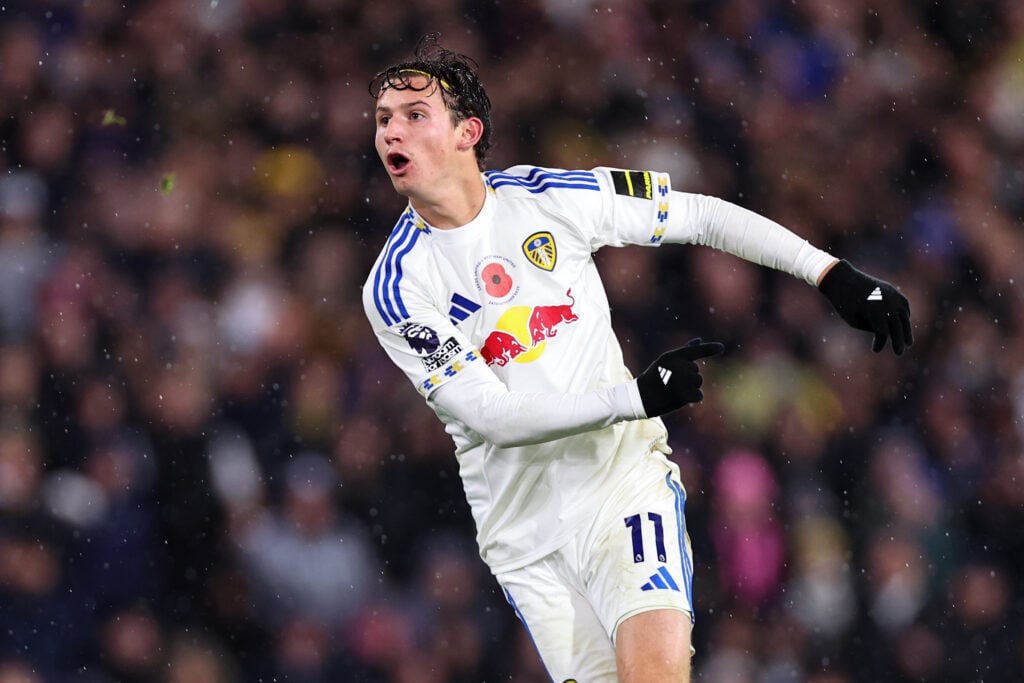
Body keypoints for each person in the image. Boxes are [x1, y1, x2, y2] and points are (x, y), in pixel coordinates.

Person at [361, 36, 912, 683]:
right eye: (382, 119)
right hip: (526, 536)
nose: (391, 130)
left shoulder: (550, 198)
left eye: (413, 114)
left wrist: (830, 272)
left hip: (621, 486)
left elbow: (699, 216)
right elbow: (492, 415)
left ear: (467, 132)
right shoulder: (396, 286)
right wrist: (636, 397)